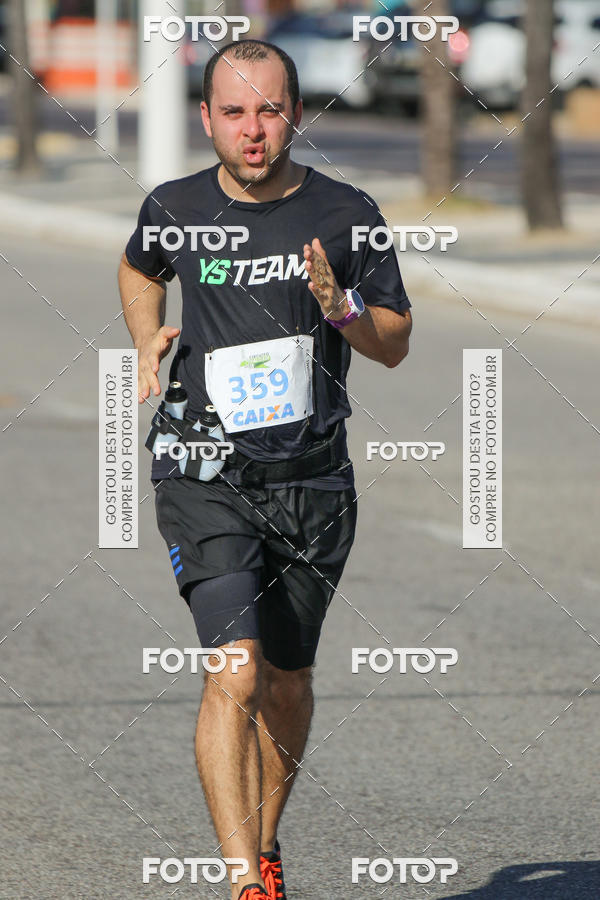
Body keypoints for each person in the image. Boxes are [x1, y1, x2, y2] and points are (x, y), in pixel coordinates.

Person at [118, 39, 412, 900]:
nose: (254, 130)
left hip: (313, 480)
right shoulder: (173, 206)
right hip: (200, 466)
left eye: (271, 110)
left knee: (285, 681)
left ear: (296, 113)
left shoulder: (347, 212)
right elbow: (140, 267)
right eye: (235, 112)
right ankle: (246, 882)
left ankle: (266, 841)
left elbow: (392, 345)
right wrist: (146, 336)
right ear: (206, 119)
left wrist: (342, 306)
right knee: (233, 669)